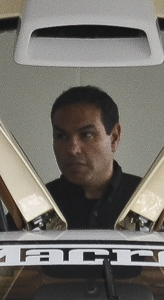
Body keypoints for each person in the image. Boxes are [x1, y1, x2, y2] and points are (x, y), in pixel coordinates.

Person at [45, 85, 139, 229]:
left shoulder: (151, 202)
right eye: (62, 136)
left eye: (86, 135)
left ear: (114, 137)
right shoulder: (36, 207)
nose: (72, 149)